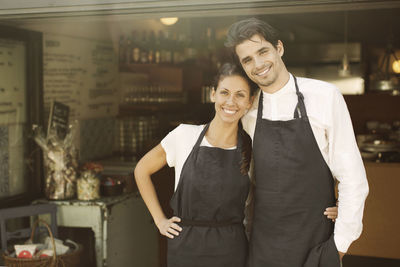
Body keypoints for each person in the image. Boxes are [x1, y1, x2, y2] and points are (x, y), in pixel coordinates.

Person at [134, 62, 338, 267]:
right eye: (224, 92)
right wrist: (160, 221)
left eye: (240, 95)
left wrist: (328, 205)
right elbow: (141, 170)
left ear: (250, 102)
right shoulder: (184, 135)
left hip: (231, 251)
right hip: (185, 248)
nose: (231, 101)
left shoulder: (251, 150)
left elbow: (287, 185)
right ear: (213, 94)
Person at [225, 17, 369, 267]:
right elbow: (244, 183)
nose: (258, 64)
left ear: (279, 48)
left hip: (316, 244)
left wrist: (339, 246)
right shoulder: (247, 111)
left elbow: (353, 179)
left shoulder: (325, 96)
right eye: (247, 59)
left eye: (263, 51)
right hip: (263, 246)